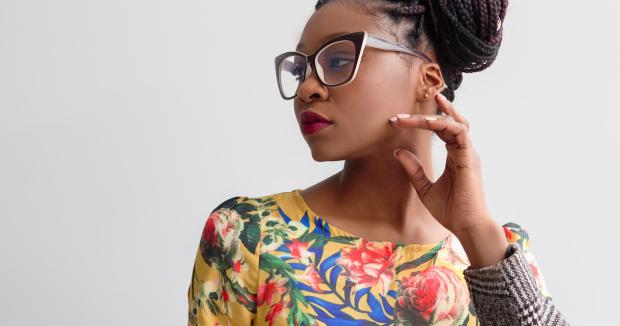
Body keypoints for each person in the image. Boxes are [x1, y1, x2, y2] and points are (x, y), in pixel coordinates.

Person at [188, 0, 570, 325]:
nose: (307, 88)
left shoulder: (498, 253)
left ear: (429, 79)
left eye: (337, 60)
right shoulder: (250, 236)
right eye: (300, 68)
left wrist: (476, 234)